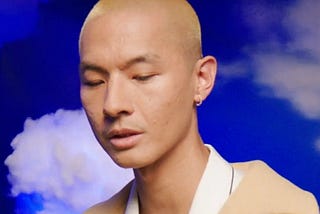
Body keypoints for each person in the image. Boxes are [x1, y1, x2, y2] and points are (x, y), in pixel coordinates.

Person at [79, 0, 319, 213]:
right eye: (94, 82)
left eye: (142, 76)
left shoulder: (283, 207)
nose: (113, 104)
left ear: (202, 79)